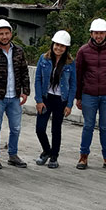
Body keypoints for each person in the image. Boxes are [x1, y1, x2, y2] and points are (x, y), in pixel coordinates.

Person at [75, 18, 106, 171]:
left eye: (101, 33)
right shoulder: (83, 51)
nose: (99, 36)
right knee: (88, 126)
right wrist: (79, 97)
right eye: (96, 33)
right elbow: (79, 75)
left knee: (105, 127)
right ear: (91, 33)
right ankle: (83, 157)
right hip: (88, 94)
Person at [0, 19, 31, 169]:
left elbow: (24, 72)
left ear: (11, 34)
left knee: (16, 128)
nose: (4, 36)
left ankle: (13, 155)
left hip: (15, 97)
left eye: (7, 33)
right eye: (1, 34)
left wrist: (26, 91)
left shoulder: (19, 51)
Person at [34, 30, 77, 169]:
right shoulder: (44, 59)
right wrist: (39, 100)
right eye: (57, 45)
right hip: (46, 98)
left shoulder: (70, 63)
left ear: (66, 48)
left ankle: (54, 157)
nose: (59, 48)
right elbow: (38, 79)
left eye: (62, 46)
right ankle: (47, 151)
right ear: (53, 44)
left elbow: (73, 85)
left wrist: (69, 104)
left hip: (61, 99)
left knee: (56, 129)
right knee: (40, 129)